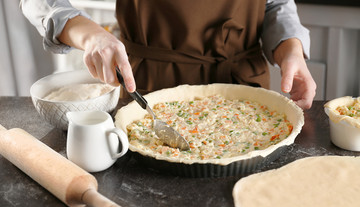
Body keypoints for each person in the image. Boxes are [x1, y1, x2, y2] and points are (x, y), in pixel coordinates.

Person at [20, 0, 316, 109]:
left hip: (246, 98)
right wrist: (90, 35)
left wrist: (291, 51)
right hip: (148, 96)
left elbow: (274, 4)